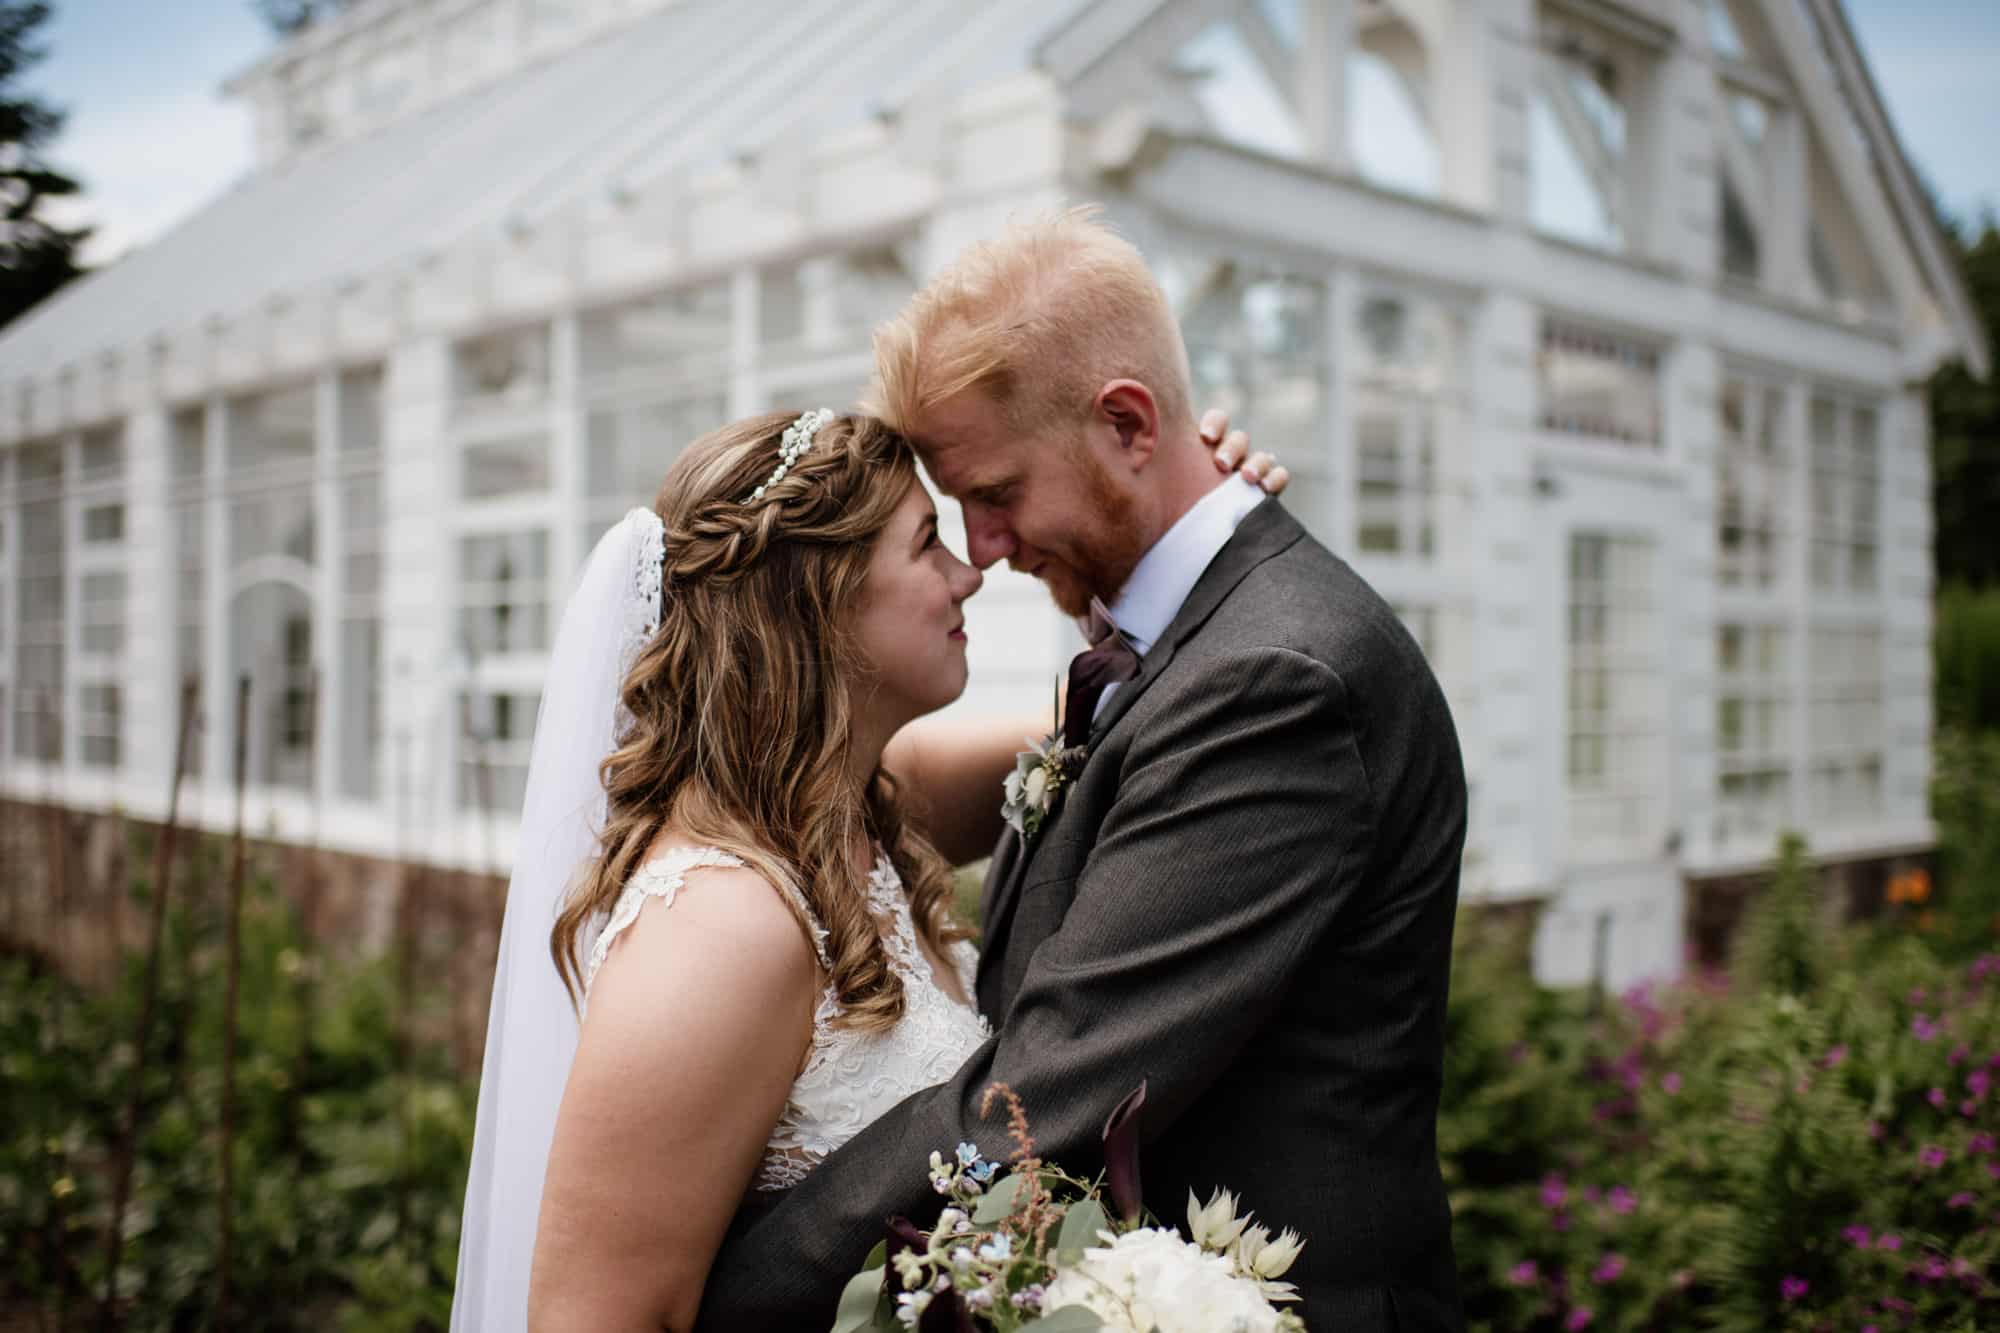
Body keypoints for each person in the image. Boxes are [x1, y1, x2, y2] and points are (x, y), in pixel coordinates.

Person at [693, 208, 1469, 1331]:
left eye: (997, 494)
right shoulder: (1163, 641)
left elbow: (1046, 1092)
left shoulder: (1272, 680)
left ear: (1125, 422)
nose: (982, 547)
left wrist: (718, 1296)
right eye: (953, 510)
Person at [449, 407, 1284, 1331]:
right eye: (928, 543)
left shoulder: (854, 809)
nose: (969, 572)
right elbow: (591, 1315)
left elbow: (1132, 728)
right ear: (820, 599)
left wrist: (1190, 525)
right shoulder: (722, 922)